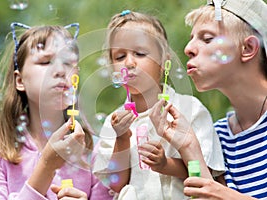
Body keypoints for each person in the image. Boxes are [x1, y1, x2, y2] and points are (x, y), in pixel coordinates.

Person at [0, 23, 113, 200]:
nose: (60, 71)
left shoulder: (97, 153)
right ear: (20, 80)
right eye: (45, 62)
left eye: (68, 63)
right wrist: (47, 165)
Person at [93, 10, 225, 200]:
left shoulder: (189, 108)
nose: (129, 62)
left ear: (164, 61)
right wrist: (121, 138)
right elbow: (115, 183)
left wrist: (165, 164)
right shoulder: (113, 122)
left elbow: (207, 169)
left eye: (139, 53)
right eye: (120, 56)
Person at [154, 0, 267, 199]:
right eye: (191, 39)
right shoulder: (219, 133)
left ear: (248, 48)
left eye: (207, 39)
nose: (188, 48)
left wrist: (225, 195)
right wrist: (188, 145)